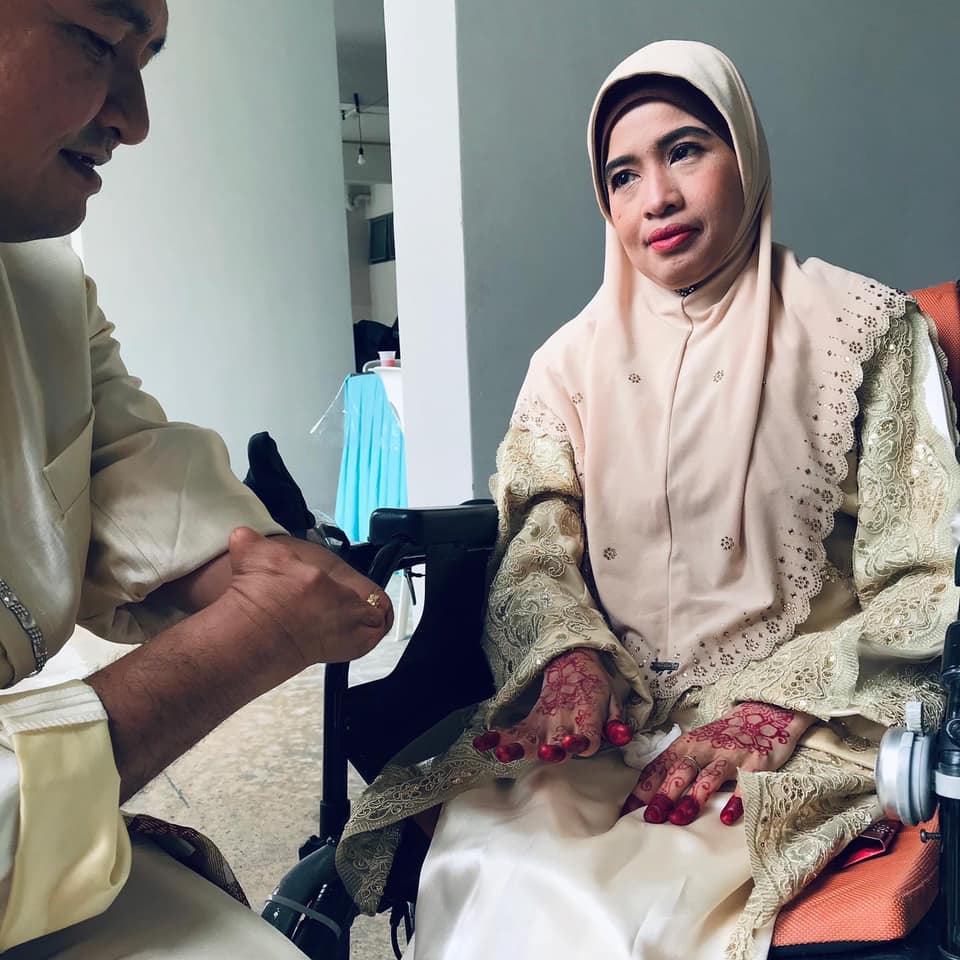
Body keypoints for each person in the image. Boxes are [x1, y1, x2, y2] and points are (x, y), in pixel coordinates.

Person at [335, 40, 960, 959]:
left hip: (809, 726)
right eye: (622, 175)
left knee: (624, 916)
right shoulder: (567, 363)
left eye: (686, 151)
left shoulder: (863, 331)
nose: (654, 198)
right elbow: (536, 544)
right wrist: (569, 663)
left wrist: (775, 709)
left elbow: (928, 570)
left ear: (746, 154)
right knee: (493, 864)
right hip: (602, 724)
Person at [0, 0, 393, 955]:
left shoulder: (44, 282)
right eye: (97, 41)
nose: (134, 118)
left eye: (145, 61)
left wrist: (265, 568)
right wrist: (245, 639)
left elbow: (121, 456)